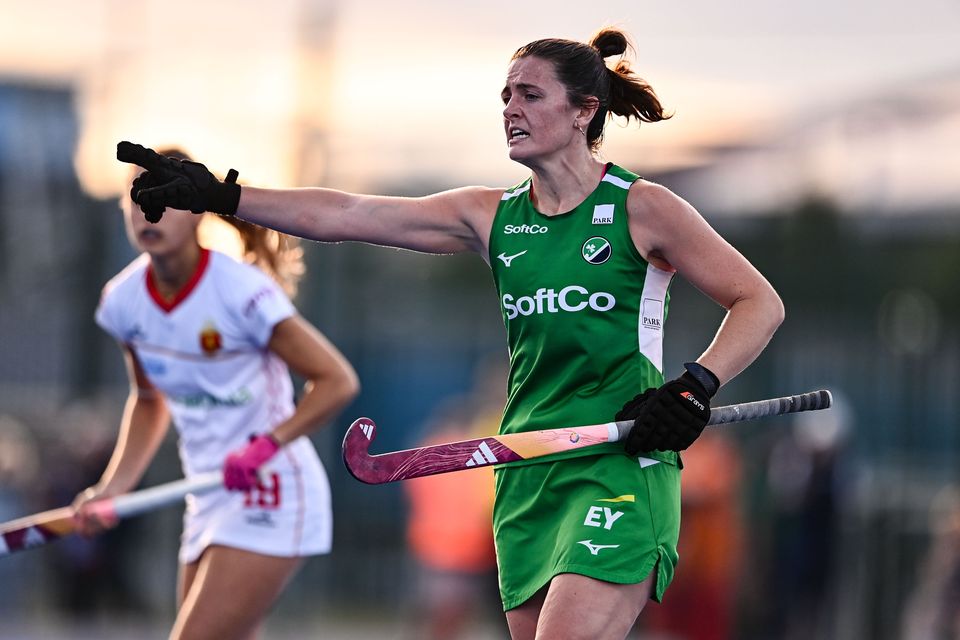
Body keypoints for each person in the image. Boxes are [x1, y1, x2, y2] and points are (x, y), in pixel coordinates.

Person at [118, 27, 784, 640]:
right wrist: (225, 198)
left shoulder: (642, 207)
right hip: (527, 469)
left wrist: (696, 385)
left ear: (584, 110)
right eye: (505, 96)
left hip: (619, 463)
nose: (510, 109)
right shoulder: (491, 217)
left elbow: (757, 301)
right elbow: (348, 212)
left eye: (530, 94)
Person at [73, 148, 360, 640]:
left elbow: (337, 381)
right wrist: (112, 488)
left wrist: (266, 445)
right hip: (205, 493)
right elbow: (148, 400)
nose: (149, 210)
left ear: (198, 208)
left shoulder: (240, 292)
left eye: (166, 197)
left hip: (270, 490)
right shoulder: (123, 302)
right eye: (137, 198)